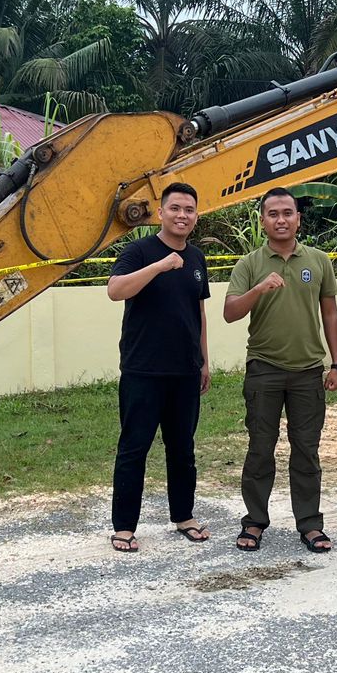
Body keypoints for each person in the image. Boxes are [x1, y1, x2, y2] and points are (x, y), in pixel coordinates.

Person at [223, 188, 337, 553]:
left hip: (309, 371)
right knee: (261, 448)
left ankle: (309, 524)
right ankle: (255, 521)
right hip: (264, 369)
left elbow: (330, 314)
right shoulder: (249, 264)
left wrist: (336, 363)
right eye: (273, 213)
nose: (281, 219)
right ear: (263, 220)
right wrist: (259, 289)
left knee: (306, 450)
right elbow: (230, 313)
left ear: (298, 218)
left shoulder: (319, 261)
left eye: (287, 213)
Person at [104, 182, 212, 553]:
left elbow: (199, 312)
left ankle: (184, 515)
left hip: (185, 371)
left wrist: (204, 361)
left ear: (196, 216)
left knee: (182, 448)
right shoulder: (139, 250)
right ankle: (124, 527)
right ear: (161, 212)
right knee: (134, 448)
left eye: (189, 210)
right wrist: (160, 265)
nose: (182, 215)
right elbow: (115, 289)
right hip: (143, 370)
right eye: (176, 208)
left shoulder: (197, 258)